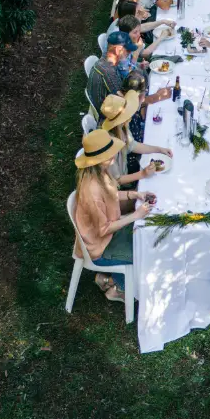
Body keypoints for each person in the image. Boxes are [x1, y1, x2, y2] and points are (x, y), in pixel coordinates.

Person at [73, 129, 153, 304]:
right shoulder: (92, 191)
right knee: (144, 251)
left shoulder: (99, 172)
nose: (114, 156)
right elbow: (104, 230)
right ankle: (118, 288)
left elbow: (111, 194)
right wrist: (135, 215)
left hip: (109, 235)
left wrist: (134, 194)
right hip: (100, 248)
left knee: (146, 237)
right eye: (108, 155)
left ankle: (107, 279)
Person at [100, 92, 172, 186]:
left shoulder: (122, 127)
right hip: (120, 186)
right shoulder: (109, 146)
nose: (130, 115)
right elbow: (116, 180)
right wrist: (143, 174)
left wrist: (159, 149)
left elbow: (133, 145)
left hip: (126, 171)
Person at [87, 31, 136, 118]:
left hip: (111, 104)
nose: (129, 53)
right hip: (108, 115)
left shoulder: (107, 59)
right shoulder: (108, 71)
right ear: (117, 50)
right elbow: (123, 99)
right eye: (128, 50)